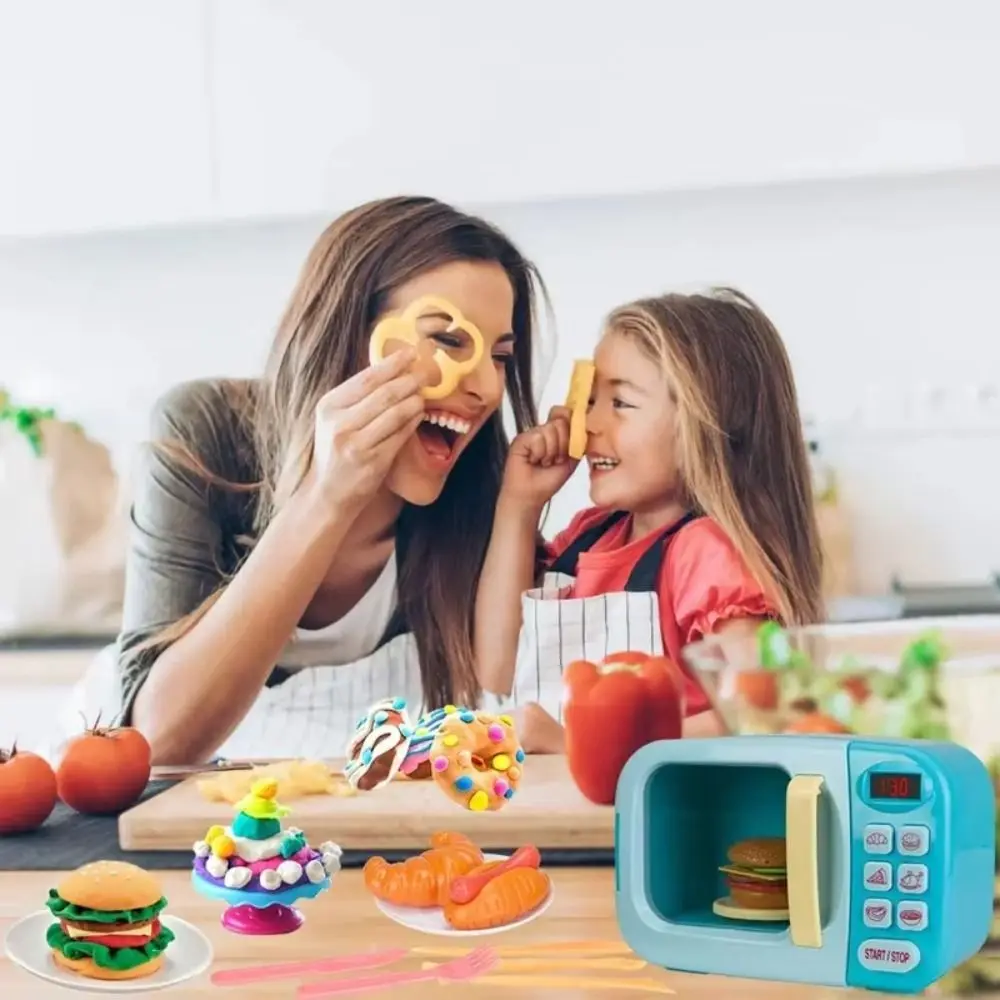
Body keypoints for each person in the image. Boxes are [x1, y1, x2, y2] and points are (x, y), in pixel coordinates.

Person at [110, 196, 548, 765]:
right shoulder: (206, 431)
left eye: (500, 357)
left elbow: (513, 692)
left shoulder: (480, 493)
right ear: (348, 333)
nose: (487, 389)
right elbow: (159, 743)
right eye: (447, 341)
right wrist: (327, 497)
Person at [475, 288, 823, 750]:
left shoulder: (704, 552)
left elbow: (765, 710)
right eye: (590, 401)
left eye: (620, 403)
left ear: (705, 424)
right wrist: (518, 506)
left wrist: (580, 742)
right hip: (562, 814)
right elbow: (498, 671)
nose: (590, 424)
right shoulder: (588, 537)